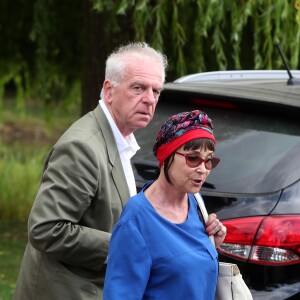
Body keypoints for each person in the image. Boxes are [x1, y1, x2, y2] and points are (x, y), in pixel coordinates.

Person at [13, 42, 168, 300]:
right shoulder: (82, 147)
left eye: (156, 91)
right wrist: (127, 246)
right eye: (138, 88)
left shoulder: (119, 140)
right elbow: (46, 229)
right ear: (109, 90)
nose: (150, 99)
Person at [103, 110, 227, 299]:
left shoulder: (195, 201)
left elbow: (185, 275)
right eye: (193, 158)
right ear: (166, 156)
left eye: (209, 161)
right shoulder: (136, 220)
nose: (202, 169)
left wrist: (210, 245)